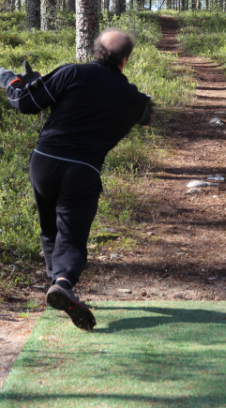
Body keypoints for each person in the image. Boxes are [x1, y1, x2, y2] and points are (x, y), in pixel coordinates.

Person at [0, 30, 152, 330]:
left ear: (95, 51)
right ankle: (63, 282)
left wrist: (12, 81)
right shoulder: (134, 99)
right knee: (71, 235)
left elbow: (24, 103)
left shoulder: (72, 73)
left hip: (44, 161)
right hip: (82, 169)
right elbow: (146, 114)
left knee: (49, 227)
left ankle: (55, 284)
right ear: (125, 60)